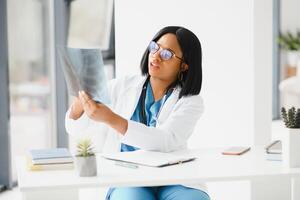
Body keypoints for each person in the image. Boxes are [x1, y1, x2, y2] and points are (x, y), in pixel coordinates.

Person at [65, 26, 210, 200]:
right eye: (154, 47)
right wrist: (79, 105)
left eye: (167, 54)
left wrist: (112, 119)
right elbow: (73, 128)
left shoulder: (190, 102)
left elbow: (166, 140)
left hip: (175, 177)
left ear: (184, 65)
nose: (156, 56)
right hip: (128, 176)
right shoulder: (121, 86)